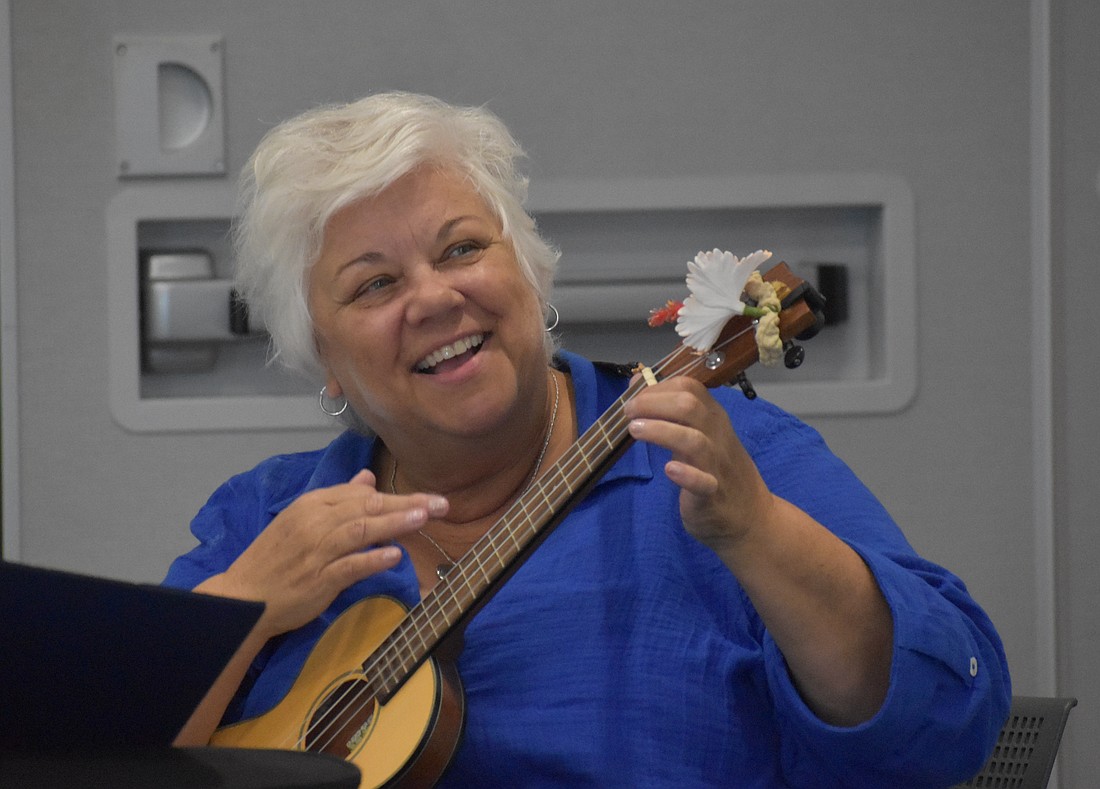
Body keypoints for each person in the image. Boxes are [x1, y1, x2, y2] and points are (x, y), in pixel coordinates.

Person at [164, 91, 1010, 788]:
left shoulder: (714, 454)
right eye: (375, 283)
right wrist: (244, 604)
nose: (431, 298)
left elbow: (944, 730)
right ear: (327, 363)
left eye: (462, 248)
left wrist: (756, 529)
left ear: (530, 276)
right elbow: (92, 755)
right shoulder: (264, 519)